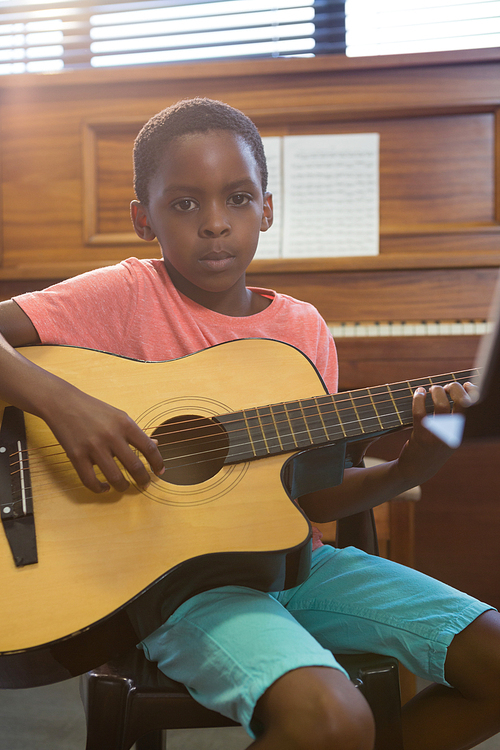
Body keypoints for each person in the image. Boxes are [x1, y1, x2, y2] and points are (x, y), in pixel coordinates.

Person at [0, 97, 499, 750]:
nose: (214, 224)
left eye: (237, 199)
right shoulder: (124, 296)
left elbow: (313, 496)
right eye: (184, 204)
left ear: (267, 207)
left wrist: (409, 468)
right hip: (172, 589)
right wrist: (63, 404)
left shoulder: (301, 331)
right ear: (141, 217)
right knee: (333, 720)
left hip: (298, 568)